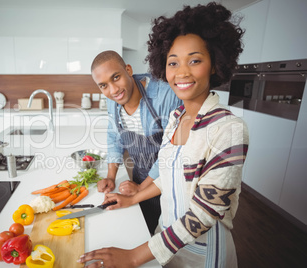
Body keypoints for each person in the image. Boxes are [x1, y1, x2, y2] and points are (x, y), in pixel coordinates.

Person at [78, 2, 249, 267]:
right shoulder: (175, 120)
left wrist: (135, 255)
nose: (181, 72)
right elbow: (167, 172)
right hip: (164, 243)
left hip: (203, 253)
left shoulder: (228, 129)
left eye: (194, 60)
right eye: (173, 62)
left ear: (214, 64)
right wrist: (131, 198)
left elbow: (203, 217)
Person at [91, 50, 182, 235]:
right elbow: (114, 136)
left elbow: (170, 150)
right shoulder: (112, 100)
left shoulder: (165, 95)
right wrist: (111, 176)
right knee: (144, 230)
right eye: (103, 86)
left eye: (116, 77)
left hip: (170, 181)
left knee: (170, 236)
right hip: (140, 177)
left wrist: (142, 187)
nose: (113, 90)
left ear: (128, 70)